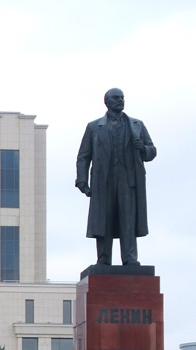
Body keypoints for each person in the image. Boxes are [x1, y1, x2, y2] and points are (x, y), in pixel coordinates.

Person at [76, 87, 156, 266]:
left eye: (122, 97)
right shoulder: (94, 127)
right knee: (104, 219)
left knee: (128, 218)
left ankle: (129, 257)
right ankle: (104, 258)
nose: (120, 100)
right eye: (116, 98)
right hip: (103, 181)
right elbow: (83, 156)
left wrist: (143, 148)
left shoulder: (137, 125)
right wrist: (82, 181)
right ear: (107, 102)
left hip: (128, 180)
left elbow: (152, 151)